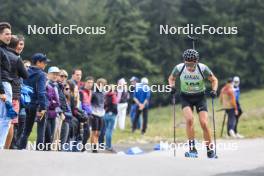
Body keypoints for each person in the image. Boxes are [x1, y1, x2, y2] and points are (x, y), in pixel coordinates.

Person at [168, 49, 218, 158]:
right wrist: (172, 87)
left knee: (204, 123)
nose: (190, 67)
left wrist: (214, 90)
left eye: (192, 64)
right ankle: (192, 150)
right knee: (189, 120)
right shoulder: (179, 68)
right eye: (187, 64)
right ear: (184, 61)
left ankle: (210, 150)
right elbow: (171, 78)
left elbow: (214, 80)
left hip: (200, 97)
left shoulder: (203, 68)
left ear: (196, 61)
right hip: (186, 97)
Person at [18, 53, 50, 150]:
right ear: (38, 62)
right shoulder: (41, 74)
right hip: (37, 105)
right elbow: (41, 92)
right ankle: (39, 151)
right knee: (41, 129)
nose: (45, 65)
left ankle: (20, 149)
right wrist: (43, 108)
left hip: (26, 104)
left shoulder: (26, 71)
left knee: (26, 130)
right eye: (44, 62)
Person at [4, 35, 28, 149]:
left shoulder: (2, 53)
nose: (21, 47)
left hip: (3, 91)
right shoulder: (16, 58)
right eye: (20, 44)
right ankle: (6, 149)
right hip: (13, 93)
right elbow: (25, 75)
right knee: (10, 123)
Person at [0, 22, 12, 149]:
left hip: (4, 84)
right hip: (3, 84)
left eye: (10, 34)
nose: (9, 36)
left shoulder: (4, 50)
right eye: (6, 34)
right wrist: (1, 91)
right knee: (5, 117)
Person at [45, 66, 62, 150]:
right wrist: (54, 103)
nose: (55, 76)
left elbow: (59, 99)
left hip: (55, 113)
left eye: (56, 74)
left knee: (52, 134)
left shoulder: (57, 85)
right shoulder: (46, 84)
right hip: (47, 112)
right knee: (47, 134)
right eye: (53, 74)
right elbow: (49, 100)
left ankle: (48, 151)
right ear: (48, 74)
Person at [91, 78, 106, 153]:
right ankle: (94, 148)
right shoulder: (93, 93)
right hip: (94, 114)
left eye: (103, 85)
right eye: (100, 84)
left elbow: (103, 104)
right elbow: (89, 103)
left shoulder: (103, 93)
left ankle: (96, 145)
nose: (101, 86)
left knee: (99, 133)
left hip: (101, 115)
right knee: (94, 132)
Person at [79, 76, 94, 147]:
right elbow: (80, 104)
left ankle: (82, 147)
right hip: (83, 115)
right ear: (85, 82)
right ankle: (81, 147)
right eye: (88, 82)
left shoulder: (91, 92)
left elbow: (89, 103)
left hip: (90, 114)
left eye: (91, 83)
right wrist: (83, 113)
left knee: (87, 133)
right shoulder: (81, 91)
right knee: (86, 132)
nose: (90, 84)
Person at [104, 84, 117, 152]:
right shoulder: (114, 95)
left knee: (107, 130)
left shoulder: (105, 95)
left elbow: (104, 105)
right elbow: (114, 106)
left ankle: (107, 145)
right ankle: (109, 146)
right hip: (112, 115)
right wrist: (115, 113)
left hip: (105, 114)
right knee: (110, 131)